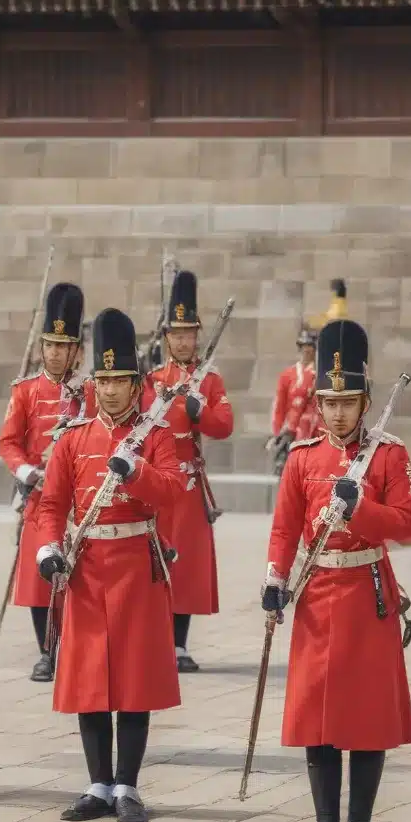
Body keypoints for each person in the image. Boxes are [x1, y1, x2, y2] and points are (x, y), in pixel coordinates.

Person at [262, 318, 411, 822]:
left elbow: (410, 524)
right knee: (318, 712)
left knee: (366, 712)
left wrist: (362, 508)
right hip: (316, 592)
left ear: (365, 401)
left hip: (367, 593)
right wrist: (273, 578)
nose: (336, 413)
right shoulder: (303, 458)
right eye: (328, 402)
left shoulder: (388, 456)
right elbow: (285, 528)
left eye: (347, 402)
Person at [35, 308, 183, 822]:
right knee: (92, 677)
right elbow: (52, 503)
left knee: (134, 680)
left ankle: (129, 786)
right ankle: (98, 783)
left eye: (121, 381)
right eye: (104, 380)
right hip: (89, 568)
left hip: (137, 568)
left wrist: (136, 470)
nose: (112, 391)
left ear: (138, 383)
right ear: (92, 381)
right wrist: (50, 548)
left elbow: (172, 491)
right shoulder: (73, 438)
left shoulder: (155, 435)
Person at [0, 283, 89, 682]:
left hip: (80, 500)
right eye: (49, 345)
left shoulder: (90, 392)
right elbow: (8, 443)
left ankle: (74, 645)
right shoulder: (25, 391)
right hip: (38, 496)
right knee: (40, 579)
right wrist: (25, 472)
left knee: (78, 578)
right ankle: (46, 650)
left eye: (62, 345)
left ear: (76, 350)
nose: (54, 352)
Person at [148, 270, 234, 673]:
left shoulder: (209, 380)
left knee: (187, 566)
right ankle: (155, 636)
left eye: (189, 333)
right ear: (166, 337)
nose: (183, 340)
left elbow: (225, 424)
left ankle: (179, 643)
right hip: (158, 480)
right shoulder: (151, 380)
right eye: (176, 334)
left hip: (190, 483)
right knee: (156, 559)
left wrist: (201, 411)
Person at [268, 323, 318, 477]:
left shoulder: (320, 375)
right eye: (304, 345)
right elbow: (280, 406)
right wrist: (277, 433)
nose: (307, 349)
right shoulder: (288, 375)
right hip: (292, 432)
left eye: (310, 346)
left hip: (314, 431)